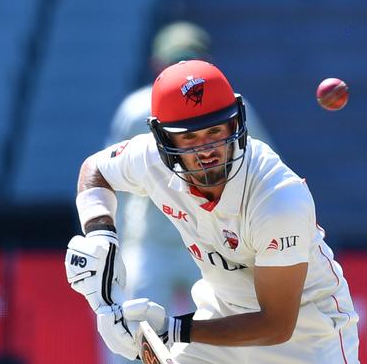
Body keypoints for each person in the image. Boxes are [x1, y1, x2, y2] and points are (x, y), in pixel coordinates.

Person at [65, 60, 360, 363]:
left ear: (235, 124)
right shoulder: (149, 158)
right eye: (189, 137)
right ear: (163, 139)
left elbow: (276, 325)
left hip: (307, 336)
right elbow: (95, 169)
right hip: (221, 319)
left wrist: (172, 329)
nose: (206, 150)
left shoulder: (278, 198)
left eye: (214, 131)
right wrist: (101, 234)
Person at [107, 21, 274, 321]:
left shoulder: (232, 107)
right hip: (152, 242)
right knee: (134, 336)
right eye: (174, 59)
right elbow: (111, 180)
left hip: (213, 240)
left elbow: (261, 169)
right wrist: (113, 244)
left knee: (225, 337)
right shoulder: (135, 111)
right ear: (157, 63)